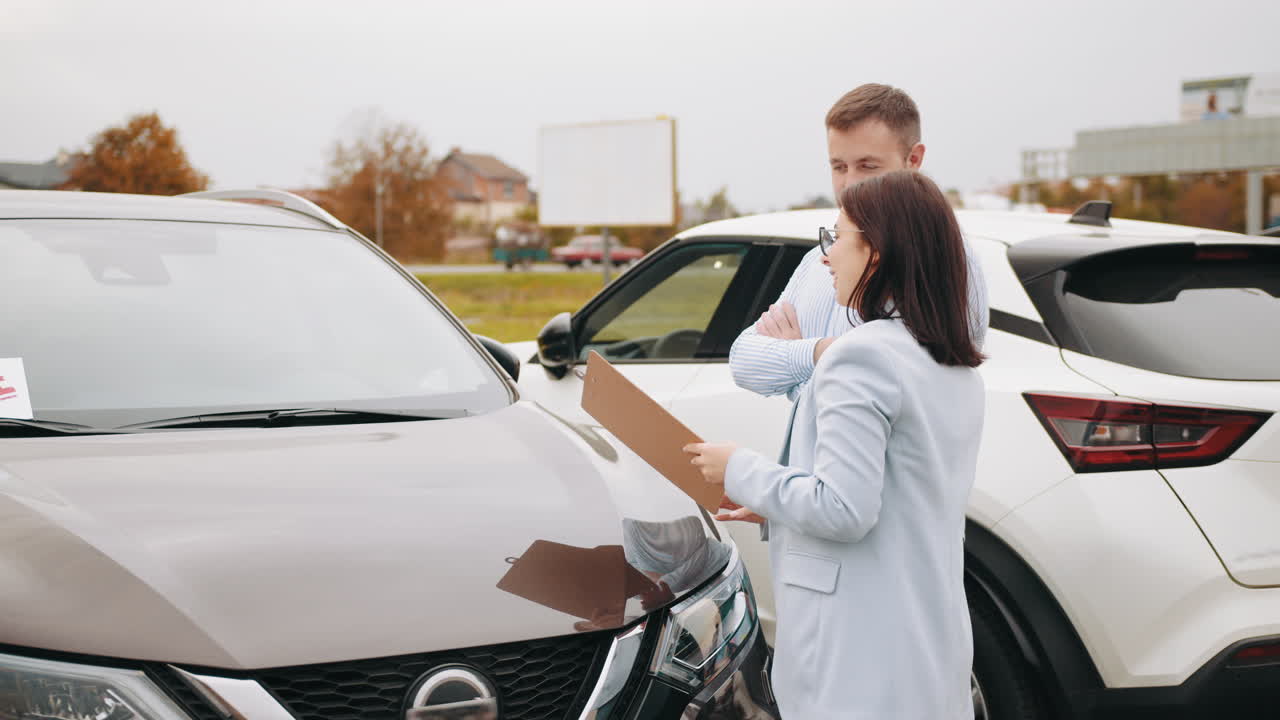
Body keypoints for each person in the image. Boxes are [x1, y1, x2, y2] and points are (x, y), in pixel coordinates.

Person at [685, 170, 986, 718]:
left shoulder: (862, 356)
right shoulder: (950, 363)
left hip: (858, 652)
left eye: (837, 237)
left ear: (876, 251)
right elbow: (900, 499)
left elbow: (845, 509)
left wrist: (739, 468)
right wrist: (773, 506)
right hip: (925, 643)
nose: (825, 258)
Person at [726, 84, 987, 432]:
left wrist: (797, 361)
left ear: (914, 159)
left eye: (867, 165)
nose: (848, 184)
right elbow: (744, 361)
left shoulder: (942, 261)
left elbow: (903, 391)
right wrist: (819, 352)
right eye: (838, 166)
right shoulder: (817, 262)